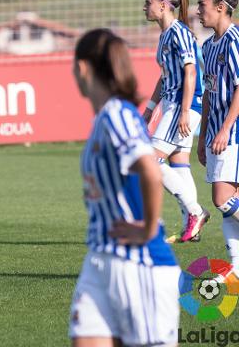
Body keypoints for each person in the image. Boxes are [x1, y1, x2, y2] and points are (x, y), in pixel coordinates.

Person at [69, 28, 179, 347]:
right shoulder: (105, 118)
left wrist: (146, 229)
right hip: (100, 257)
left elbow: (150, 169)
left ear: (82, 68)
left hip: (137, 262)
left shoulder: (118, 114)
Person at [142, 0, 209, 243]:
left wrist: (183, 111)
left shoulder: (179, 33)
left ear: (163, 5)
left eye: (148, 2)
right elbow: (165, 76)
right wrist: (149, 110)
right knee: (179, 164)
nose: (144, 7)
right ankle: (190, 227)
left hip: (184, 104)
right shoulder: (165, 35)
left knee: (149, 161)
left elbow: (191, 72)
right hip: (174, 104)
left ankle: (195, 212)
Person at [196, 0, 239, 277]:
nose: (198, 11)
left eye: (202, 5)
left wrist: (225, 129)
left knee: (222, 199)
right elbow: (209, 93)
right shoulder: (207, 46)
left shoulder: (235, 40)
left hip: (233, 133)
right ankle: (236, 267)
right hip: (215, 134)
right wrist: (203, 136)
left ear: (221, 8)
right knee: (230, 203)